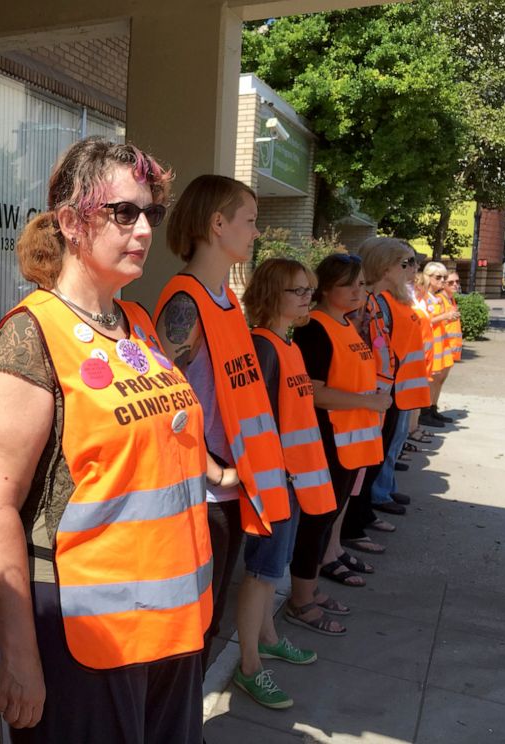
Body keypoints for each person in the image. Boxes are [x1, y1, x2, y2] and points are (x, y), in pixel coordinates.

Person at [0, 138, 211, 744]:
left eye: (149, 214)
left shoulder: (138, 325)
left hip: (169, 623)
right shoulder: (31, 336)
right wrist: (19, 661)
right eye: (123, 213)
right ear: (72, 223)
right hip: (84, 631)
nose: (143, 230)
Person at [153, 175, 289, 701]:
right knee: (191, 630)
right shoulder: (185, 302)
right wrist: (213, 471)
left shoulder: (225, 298)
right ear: (217, 224)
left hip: (233, 491)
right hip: (203, 494)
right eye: (249, 220)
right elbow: (160, 401)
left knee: (205, 627)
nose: (256, 232)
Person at [232, 257, 339, 709]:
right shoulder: (264, 348)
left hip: (292, 483)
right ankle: (249, 666)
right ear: (273, 295)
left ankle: (269, 637)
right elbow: (256, 424)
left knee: (270, 573)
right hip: (275, 485)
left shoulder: (287, 345)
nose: (307, 298)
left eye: (308, 290)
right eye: (298, 291)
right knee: (260, 574)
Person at [287, 254, 389, 632]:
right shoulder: (315, 328)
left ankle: (309, 591)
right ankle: (301, 601)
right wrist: (369, 402)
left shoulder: (346, 324)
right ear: (326, 288)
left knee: (327, 522)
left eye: (361, 284)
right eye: (349, 284)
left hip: (351, 446)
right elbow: (313, 392)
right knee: (315, 524)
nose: (358, 291)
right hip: (327, 444)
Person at [355, 238, 432, 519]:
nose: (414, 268)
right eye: (406, 262)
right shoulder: (376, 303)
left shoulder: (394, 299)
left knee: (388, 447)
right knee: (376, 454)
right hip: (384, 391)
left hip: (395, 389)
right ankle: (374, 499)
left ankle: (380, 492)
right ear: (384, 267)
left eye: (414, 262)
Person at [415, 262, 457, 426]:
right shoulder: (423, 298)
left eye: (444, 277)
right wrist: (444, 316)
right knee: (431, 379)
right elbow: (424, 321)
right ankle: (425, 412)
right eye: (438, 277)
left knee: (439, 379)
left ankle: (432, 408)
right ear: (428, 277)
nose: (443, 281)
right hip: (430, 343)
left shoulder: (435, 298)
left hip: (439, 343)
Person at [443, 270, 464, 362]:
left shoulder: (452, 300)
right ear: (443, 284)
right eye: (451, 282)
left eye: (457, 281)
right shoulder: (439, 300)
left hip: (452, 351)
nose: (455, 284)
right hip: (443, 351)